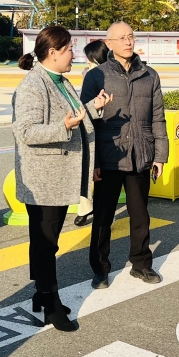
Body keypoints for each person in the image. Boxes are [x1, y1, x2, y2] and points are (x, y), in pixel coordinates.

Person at [12, 26, 112, 331]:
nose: (73, 54)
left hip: (57, 176)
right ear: (52, 53)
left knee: (47, 242)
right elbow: (26, 131)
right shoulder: (33, 85)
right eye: (69, 49)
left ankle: (41, 295)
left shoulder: (60, 80)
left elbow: (74, 115)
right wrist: (63, 127)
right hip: (43, 181)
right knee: (45, 244)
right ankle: (51, 304)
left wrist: (93, 107)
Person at [80, 22, 168, 288]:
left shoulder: (149, 75)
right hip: (109, 156)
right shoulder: (96, 76)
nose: (128, 42)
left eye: (131, 37)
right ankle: (100, 269)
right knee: (103, 217)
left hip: (141, 153)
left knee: (140, 215)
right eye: (121, 38)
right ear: (109, 44)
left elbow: (158, 117)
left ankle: (141, 263)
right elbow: (87, 122)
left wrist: (160, 155)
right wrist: (93, 162)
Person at [75, 39, 110, 227]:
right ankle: (85, 208)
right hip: (90, 125)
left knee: (99, 175)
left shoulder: (105, 74)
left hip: (104, 128)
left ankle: (97, 212)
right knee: (88, 170)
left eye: (90, 58)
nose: (87, 62)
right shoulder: (89, 74)